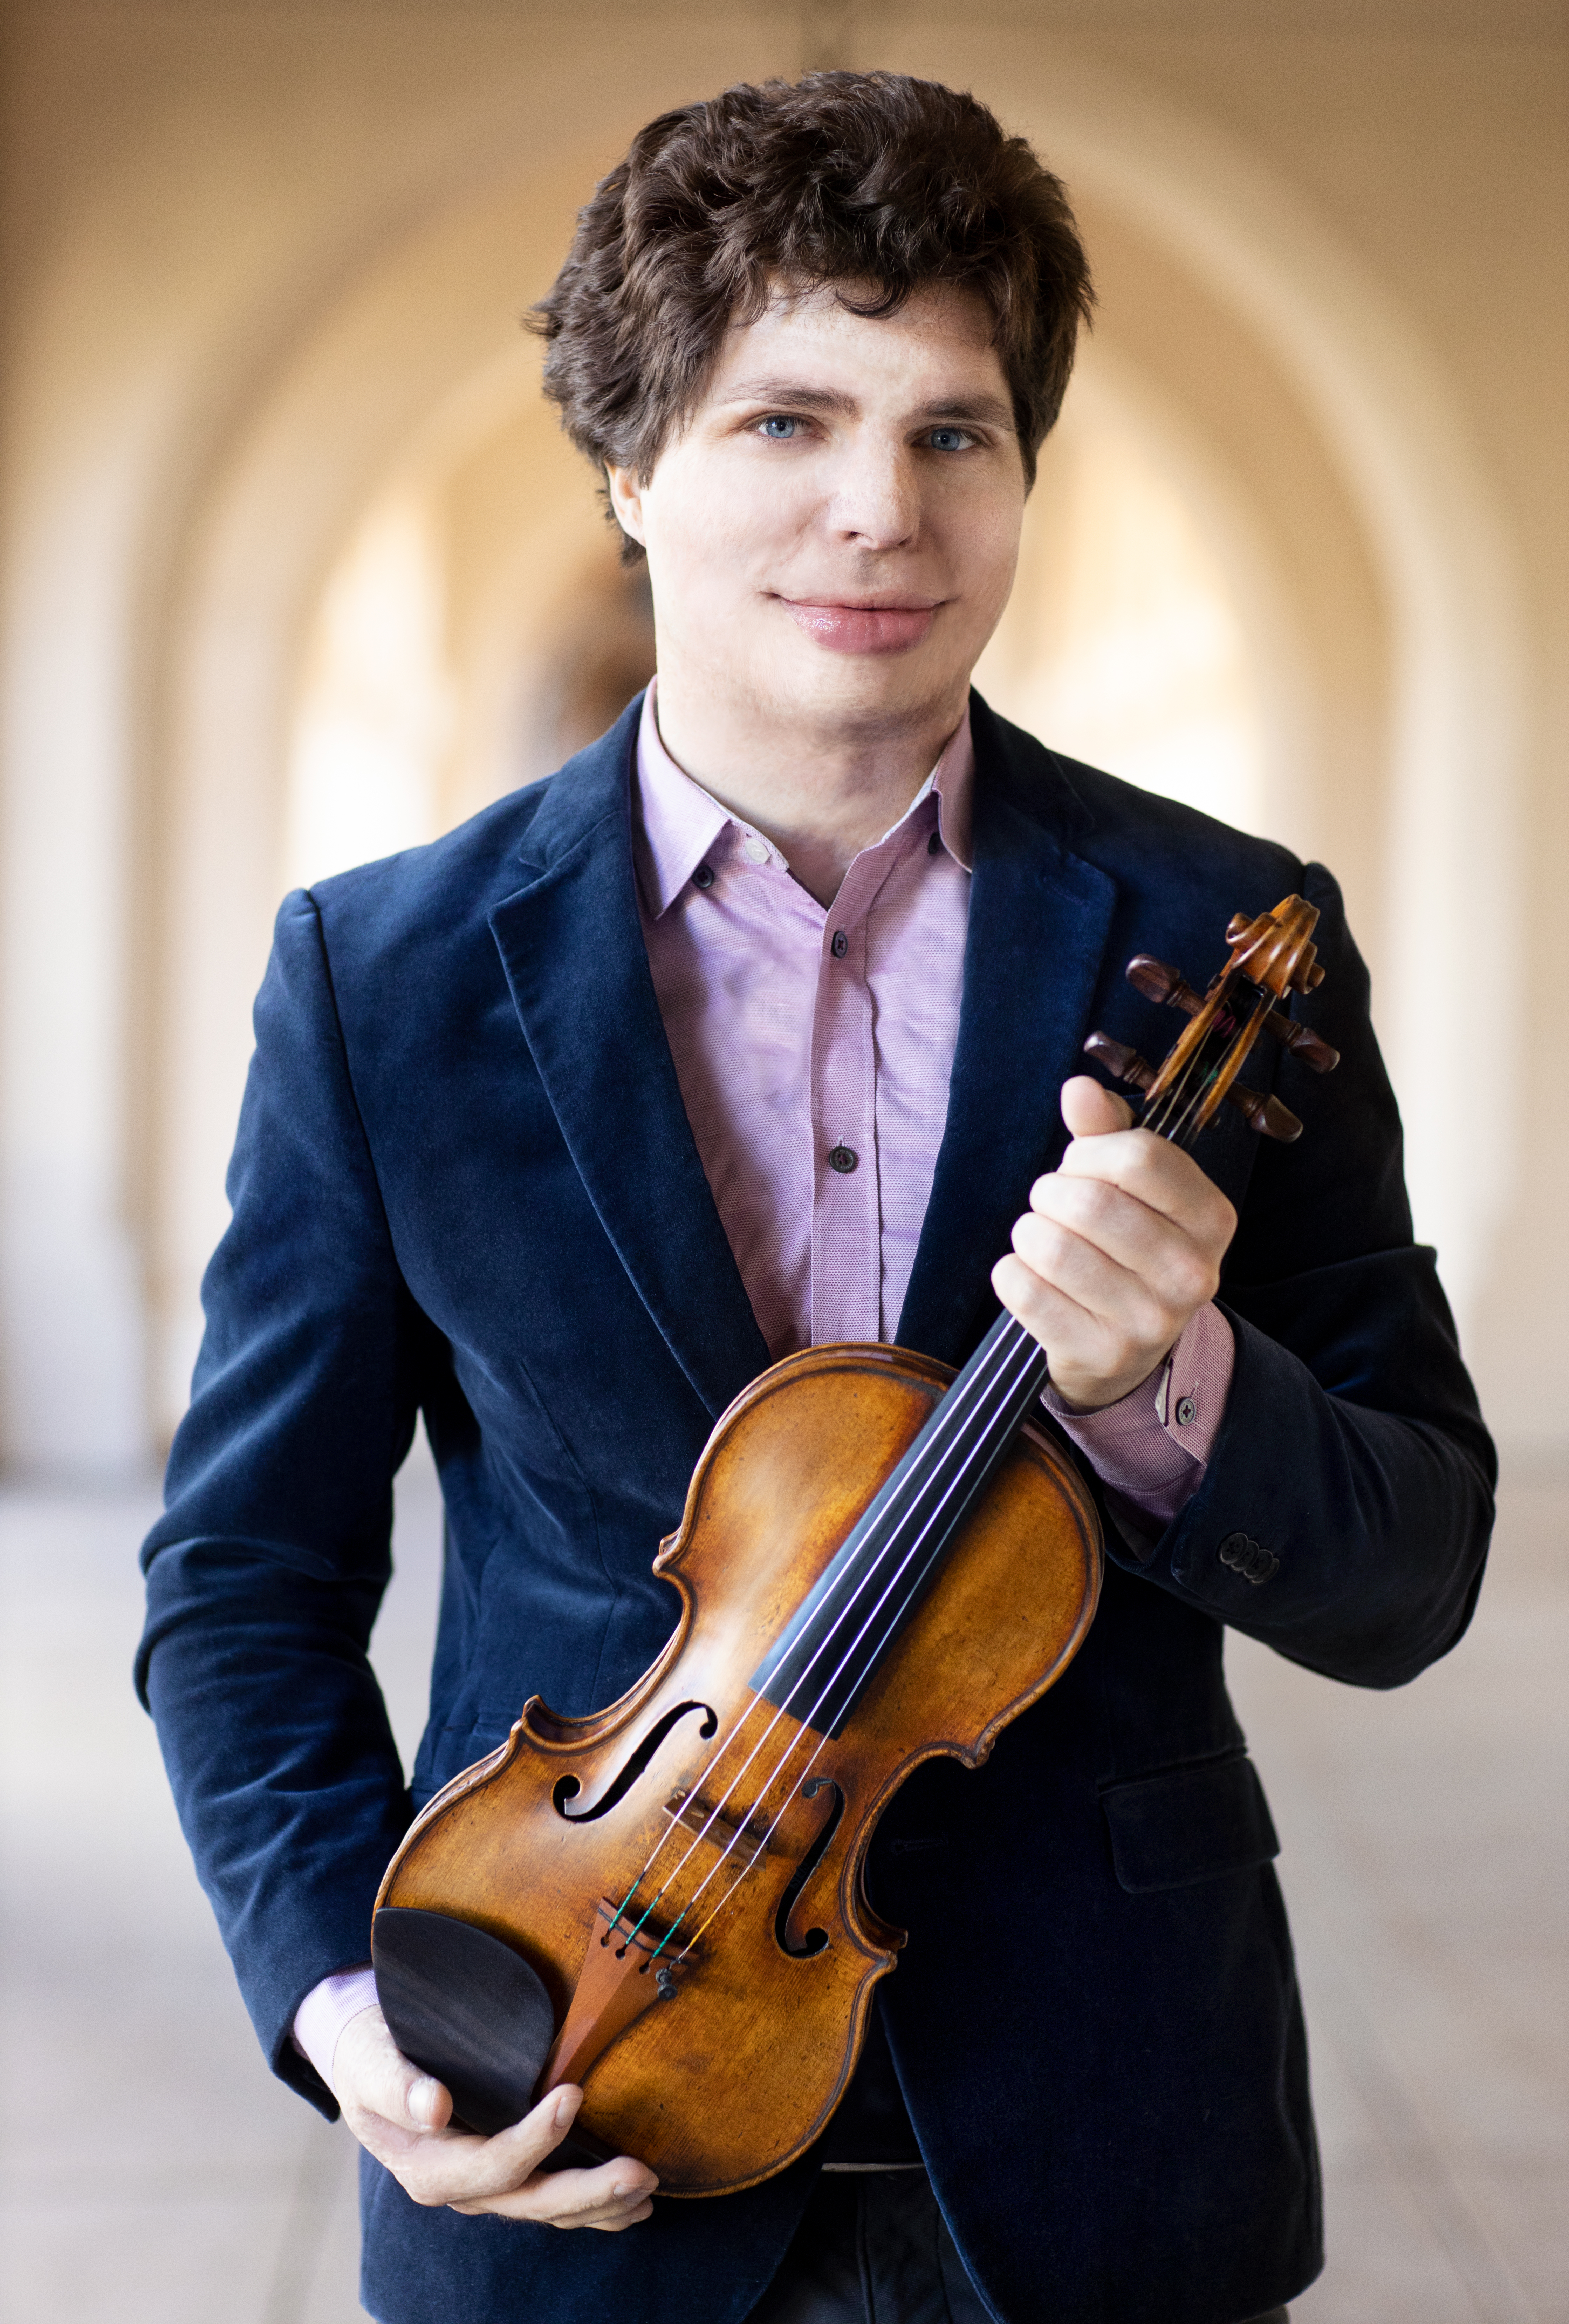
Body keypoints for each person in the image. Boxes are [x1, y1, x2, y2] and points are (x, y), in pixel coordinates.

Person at [137, 70, 1493, 2324]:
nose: (880, 509)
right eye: (788, 421)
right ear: (633, 462)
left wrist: (1182, 1382)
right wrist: (338, 2006)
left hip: (1102, 2151)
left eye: (955, 432)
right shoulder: (377, 979)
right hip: (577, 2121)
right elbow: (244, 1580)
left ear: (1024, 478)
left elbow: (1416, 1560)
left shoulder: (1229, 936)